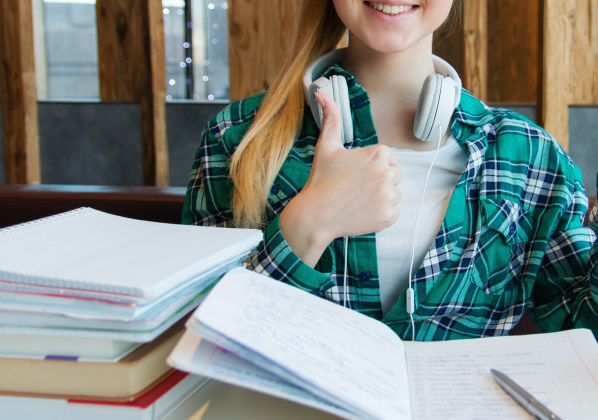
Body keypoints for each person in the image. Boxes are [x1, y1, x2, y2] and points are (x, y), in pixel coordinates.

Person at [182, 0, 598, 341]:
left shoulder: (529, 156)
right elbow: (197, 341)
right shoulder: (238, 139)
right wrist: (309, 222)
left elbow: (586, 327)